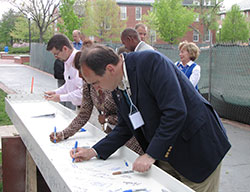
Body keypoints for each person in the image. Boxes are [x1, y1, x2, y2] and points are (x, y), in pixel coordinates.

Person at [70, 45, 231, 192]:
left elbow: (175, 112)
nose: (96, 88)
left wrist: (150, 155)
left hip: (196, 149)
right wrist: (93, 151)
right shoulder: (117, 86)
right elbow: (124, 127)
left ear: (110, 68)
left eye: (96, 82)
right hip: (166, 153)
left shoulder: (150, 62)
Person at [50, 49, 144, 155]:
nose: (80, 76)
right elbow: (84, 114)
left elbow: (130, 116)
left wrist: (107, 119)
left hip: (132, 138)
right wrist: (63, 134)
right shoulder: (88, 85)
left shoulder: (112, 82)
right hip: (113, 135)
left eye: (81, 72)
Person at [45, 34, 83, 111]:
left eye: (56, 54)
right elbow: (69, 85)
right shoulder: (67, 61)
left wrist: (60, 98)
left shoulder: (80, 61)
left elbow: (82, 93)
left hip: (90, 111)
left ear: (65, 49)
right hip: (80, 108)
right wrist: (55, 92)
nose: (55, 57)